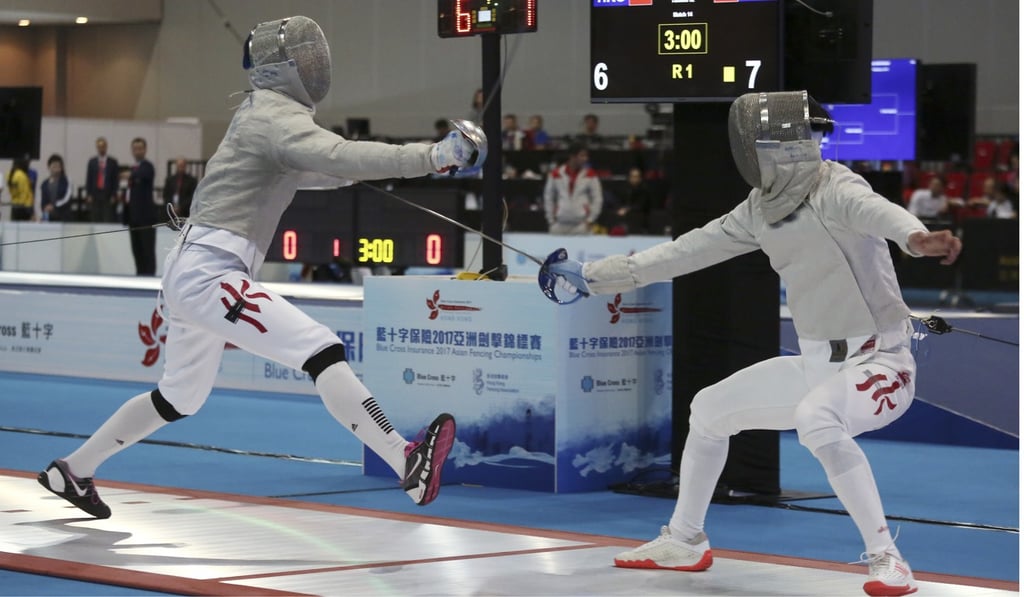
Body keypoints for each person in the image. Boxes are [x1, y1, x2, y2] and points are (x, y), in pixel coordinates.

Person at [37, 15, 483, 520]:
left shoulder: (268, 115)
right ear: (285, 68)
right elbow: (337, 155)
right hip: (211, 273)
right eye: (308, 59)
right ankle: (405, 459)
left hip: (197, 270)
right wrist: (432, 156)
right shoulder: (274, 117)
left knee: (178, 398)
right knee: (320, 348)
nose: (318, 68)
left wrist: (403, 164)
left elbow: (327, 168)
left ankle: (71, 470)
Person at [544, 91, 962, 597]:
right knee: (709, 409)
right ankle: (685, 539)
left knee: (816, 419)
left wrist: (916, 239)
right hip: (816, 366)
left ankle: (888, 560)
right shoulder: (758, 211)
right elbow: (683, 253)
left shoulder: (838, 188)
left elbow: (879, 213)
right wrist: (591, 276)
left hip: (879, 362)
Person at [543, 142, 603, 235]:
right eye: (582, 156)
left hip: (582, 226)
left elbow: (597, 198)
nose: (585, 159)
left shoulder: (590, 174)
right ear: (573, 156)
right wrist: (551, 220)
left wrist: (591, 220)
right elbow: (548, 197)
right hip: (559, 225)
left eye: (586, 156)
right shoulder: (556, 174)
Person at [123, 137, 158, 276]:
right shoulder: (133, 168)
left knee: (147, 250)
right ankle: (140, 275)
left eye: (140, 148)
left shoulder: (147, 166)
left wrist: (130, 174)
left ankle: (149, 277)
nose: (137, 151)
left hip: (146, 218)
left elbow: (144, 174)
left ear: (145, 150)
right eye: (135, 148)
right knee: (137, 250)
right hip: (134, 218)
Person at [85, 137, 121, 223]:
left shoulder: (113, 162)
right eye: (99, 146)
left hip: (107, 194)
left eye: (103, 146)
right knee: (95, 218)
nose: (101, 149)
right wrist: (89, 194)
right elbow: (89, 178)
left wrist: (114, 194)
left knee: (107, 218)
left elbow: (115, 180)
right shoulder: (92, 162)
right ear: (97, 147)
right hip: (95, 194)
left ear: (106, 147)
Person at [38, 153, 74, 222]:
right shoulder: (44, 184)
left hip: (64, 216)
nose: (56, 169)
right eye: (54, 166)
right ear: (49, 167)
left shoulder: (67, 180)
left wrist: (54, 206)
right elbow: (41, 201)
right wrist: (44, 211)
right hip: (49, 217)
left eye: (59, 166)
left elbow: (67, 198)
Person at [6, 154, 34, 221]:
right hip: (23, 208)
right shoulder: (22, 176)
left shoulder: (10, 174)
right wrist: (31, 212)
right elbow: (25, 194)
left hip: (14, 206)